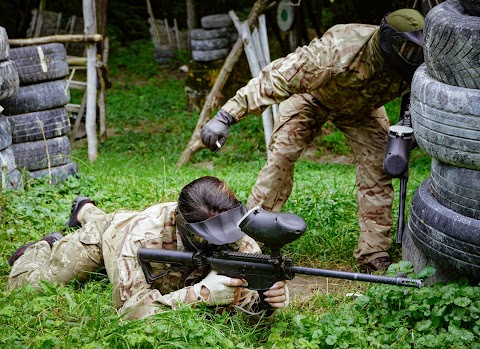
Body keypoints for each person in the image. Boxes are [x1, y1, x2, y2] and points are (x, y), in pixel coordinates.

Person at [201, 9, 425, 273]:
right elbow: (277, 76)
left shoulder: (418, 61)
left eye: (419, 51)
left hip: (363, 110)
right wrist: (225, 116)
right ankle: (251, 239)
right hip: (311, 98)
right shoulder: (336, 52)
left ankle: (374, 253)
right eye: (409, 51)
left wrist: (413, 127)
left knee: (380, 166)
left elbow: (426, 94)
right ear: (390, 42)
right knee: (281, 159)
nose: (415, 58)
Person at [7, 176, 288, 320]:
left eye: (229, 236)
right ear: (184, 227)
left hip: (126, 224)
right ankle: (46, 244)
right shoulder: (144, 238)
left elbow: (247, 309)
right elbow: (129, 313)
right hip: (112, 237)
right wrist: (199, 294)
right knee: (27, 286)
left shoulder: (237, 237)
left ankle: (85, 210)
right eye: (211, 242)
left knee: (104, 218)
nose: (225, 246)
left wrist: (267, 301)